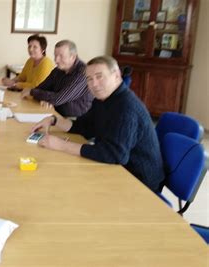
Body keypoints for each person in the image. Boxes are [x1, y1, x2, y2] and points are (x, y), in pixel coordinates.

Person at [31, 56, 164, 193]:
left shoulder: (126, 107)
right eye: (89, 79)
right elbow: (84, 127)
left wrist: (62, 145)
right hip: (117, 168)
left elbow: (114, 155)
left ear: (116, 75)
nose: (94, 84)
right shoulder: (103, 99)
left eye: (99, 76)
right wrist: (54, 120)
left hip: (140, 182)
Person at [21, 40, 93, 117]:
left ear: (73, 57)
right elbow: (40, 88)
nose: (56, 60)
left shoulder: (83, 73)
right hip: (54, 113)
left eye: (61, 56)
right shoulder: (58, 70)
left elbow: (58, 99)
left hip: (75, 120)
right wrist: (47, 99)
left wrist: (33, 92)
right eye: (55, 55)